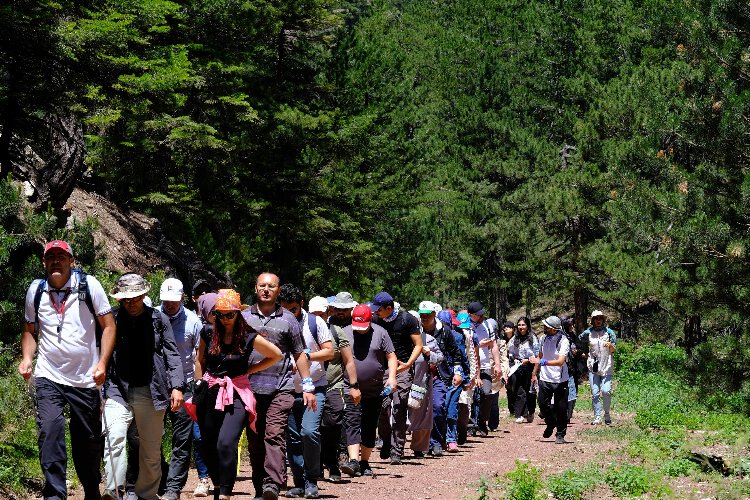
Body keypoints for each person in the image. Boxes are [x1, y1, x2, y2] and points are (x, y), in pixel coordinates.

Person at [19, 240, 116, 500]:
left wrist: (103, 363)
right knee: (49, 432)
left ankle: (91, 488)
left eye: (61, 257)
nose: (56, 261)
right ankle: (55, 495)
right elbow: (30, 330)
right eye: (50, 257)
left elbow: (108, 326)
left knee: (87, 440)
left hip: (85, 377)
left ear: (71, 262)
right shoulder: (35, 290)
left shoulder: (88, 286)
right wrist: (28, 358)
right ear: (44, 263)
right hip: (49, 374)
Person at [193, 289, 283, 500]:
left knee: (226, 442)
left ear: (238, 314)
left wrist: (249, 371)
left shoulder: (249, 337)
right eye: (220, 314)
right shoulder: (207, 332)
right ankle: (217, 486)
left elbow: (276, 355)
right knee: (208, 443)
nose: (224, 319)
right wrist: (198, 381)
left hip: (236, 393)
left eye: (229, 314)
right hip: (209, 390)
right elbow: (199, 359)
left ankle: (225, 492)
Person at [106, 273, 185, 500]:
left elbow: (172, 355)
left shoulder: (159, 319)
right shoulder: (111, 319)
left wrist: (177, 387)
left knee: (150, 451)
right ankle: (114, 491)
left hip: (151, 390)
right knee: (114, 438)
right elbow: (101, 351)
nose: (130, 303)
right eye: (125, 299)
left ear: (144, 296)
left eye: (135, 298)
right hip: (117, 389)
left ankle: (146, 495)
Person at [243, 273, 317, 500]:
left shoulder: (288, 319)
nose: (266, 289)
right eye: (262, 286)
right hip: (248, 389)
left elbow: (299, 353)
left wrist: (307, 385)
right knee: (255, 440)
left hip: (280, 388)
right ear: (255, 288)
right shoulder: (243, 317)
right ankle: (259, 488)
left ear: (278, 290)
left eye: (271, 286)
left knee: (274, 435)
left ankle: (272, 485)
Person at [278, 285, 334, 499]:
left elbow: (330, 352)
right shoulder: (277, 322)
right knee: (292, 439)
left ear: (301, 304)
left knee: (309, 432)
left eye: (292, 309)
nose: (288, 314)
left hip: (316, 386)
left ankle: (312, 479)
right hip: (287, 389)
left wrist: (306, 357)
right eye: (283, 309)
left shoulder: (315, 322)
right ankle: (299, 482)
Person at [339, 304, 398, 478]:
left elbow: (391, 356)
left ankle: (364, 461)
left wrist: (392, 377)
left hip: (374, 389)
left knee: (369, 425)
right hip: (350, 387)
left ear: (370, 320)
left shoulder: (381, 333)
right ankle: (353, 461)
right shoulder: (345, 333)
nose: (360, 331)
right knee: (352, 421)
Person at [158, 278, 203, 500]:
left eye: (174, 301)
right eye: (166, 301)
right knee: (150, 438)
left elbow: (198, 357)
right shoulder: (152, 317)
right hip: (157, 386)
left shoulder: (194, 322)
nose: (170, 305)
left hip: (185, 386)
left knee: (182, 439)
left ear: (182, 298)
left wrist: (197, 386)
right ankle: (163, 476)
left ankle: (173, 488)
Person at [371, 292, 423, 465]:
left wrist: (408, 364)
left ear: (389, 308)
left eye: (379, 309)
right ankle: (385, 441)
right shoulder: (376, 320)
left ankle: (397, 450)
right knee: (383, 408)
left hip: (402, 370)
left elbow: (418, 344)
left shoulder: (407, 319)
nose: (376, 312)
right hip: (382, 370)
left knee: (399, 407)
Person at [318, 292, 358, 482]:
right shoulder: (301, 330)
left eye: (321, 313)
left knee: (334, 423)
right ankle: (319, 464)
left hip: (334, 385)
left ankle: (332, 459)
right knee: (312, 427)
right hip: (310, 387)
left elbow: (348, 361)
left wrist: (354, 385)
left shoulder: (335, 331)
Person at [420, 303, 463, 456]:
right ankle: (421, 445)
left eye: (428, 314)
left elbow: (456, 353)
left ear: (434, 314)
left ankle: (436, 442)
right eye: (422, 315)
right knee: (420, 410)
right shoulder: (415, 330)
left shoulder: (444, 331)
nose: (425, 318)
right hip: (419, 376)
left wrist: (458, 372)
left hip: (440, 375)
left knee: (438, 407)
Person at [407, 307, 444, 457]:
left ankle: (419, 447)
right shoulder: (397, 339)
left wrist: (430, 354)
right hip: (400, 382)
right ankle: (395, 446)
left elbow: (440, 358)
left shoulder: (428, 339)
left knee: (422, 416)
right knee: (396, 413)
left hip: (421, 383)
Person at [530, 316, 570, 444]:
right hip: (545, 378)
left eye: (546, 326)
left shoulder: (563, 341)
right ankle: (551, 422)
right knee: (542, 405)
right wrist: (534, 373)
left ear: (553, 329)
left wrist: (542, 362)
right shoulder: (543, 338)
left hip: (560, 379)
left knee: (561, 408)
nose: (544, 328)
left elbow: (560, 362)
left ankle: (560, 434)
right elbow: (539, 356)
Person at [467, 302, 505, 436]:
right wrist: (477, 344)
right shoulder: (466, 325)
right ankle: (471, 424)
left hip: (484, 366)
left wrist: (498, 364)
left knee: (486, 393)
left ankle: (482, 421)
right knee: (470, 396)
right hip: (470, 366)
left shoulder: (487, 325)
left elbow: (493, 345)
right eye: (478, 314)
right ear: (471, 315)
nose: (482, 316)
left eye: (482, 313)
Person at [193, 293, 217, 497]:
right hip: (204, 390)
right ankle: (204, 478)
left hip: (229, 391)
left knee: (222, 438)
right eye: (214, 312)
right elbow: (198, 361)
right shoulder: (203, 331)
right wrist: (199, 385)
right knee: (199, 436)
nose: (219, 316)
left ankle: (221, 478)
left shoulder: (239, 332)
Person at [435, 309, 469, 453]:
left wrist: (466, 376)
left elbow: (462, 356)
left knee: (451, 409)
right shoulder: (432, 335)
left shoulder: (457, 336)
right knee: (439, 408)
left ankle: (451, 439)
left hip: (455, 376)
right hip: (439, 376)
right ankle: (440, 439)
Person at [579, 310, 617, 425]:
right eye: (596, 318)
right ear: (592, 320)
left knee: (606, 391)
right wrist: (583, 353)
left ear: (603, 320)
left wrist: (610, 345)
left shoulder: (609, 332)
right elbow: (579, 342)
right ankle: (597, 416)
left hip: (607, 366)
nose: (598, 320)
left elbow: (614, 350)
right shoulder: (587, 333)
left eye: (600, 318)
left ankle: (607, 414)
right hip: (593, 367)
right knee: (595, 393)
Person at [507, 316, 539, 424]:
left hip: (529, 365)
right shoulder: (514, 338)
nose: (521, 327)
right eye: (519, 325)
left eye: (523, 325)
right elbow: (510, 352)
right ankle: (520, 414)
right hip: (517, 366)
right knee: (518, 389)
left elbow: (537, 353)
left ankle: (530, 411)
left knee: (529, 390)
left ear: (527, 326)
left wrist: (529, 360)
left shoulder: (533, 338)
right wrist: (514, 359)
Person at [455, 311, 479, 445]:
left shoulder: (472, 336)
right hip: (453, 374)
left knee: (464, 403)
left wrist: (474, 375)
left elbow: (473, 356)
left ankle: (462, 431)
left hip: (467, 373)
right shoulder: (451, 335)